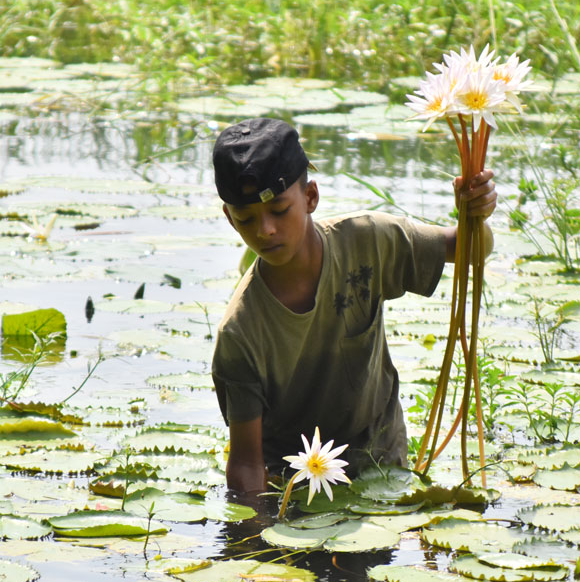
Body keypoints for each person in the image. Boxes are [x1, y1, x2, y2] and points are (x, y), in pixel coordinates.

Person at [211, 117, 496, 494]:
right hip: (297, 491)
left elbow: (469, 249)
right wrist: (252, 540)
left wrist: (474, 213)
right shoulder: (240, 333)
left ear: (311, 196)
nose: (265, 230)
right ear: (231, 219)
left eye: (279, 210)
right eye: (247, 219)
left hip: (383, 474)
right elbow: (247, 464)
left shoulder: (367, 241)